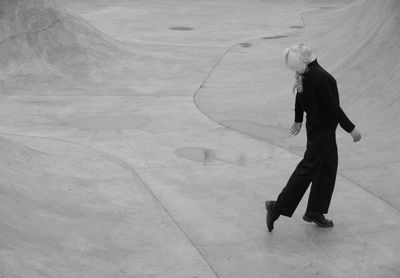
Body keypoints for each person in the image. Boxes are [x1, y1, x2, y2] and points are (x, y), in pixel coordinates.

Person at [265, 43, 361, 232]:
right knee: (307, 169)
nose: (304, 44)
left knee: (328, 167)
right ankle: (276, 207)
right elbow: (333, 107)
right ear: (307, 57)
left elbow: (299, 96)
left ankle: (315, 211)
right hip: (323, 131)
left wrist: (299, 118)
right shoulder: (318, 76)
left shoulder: (305, 73)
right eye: (301, 46)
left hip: (317, 127)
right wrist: (351, 128)